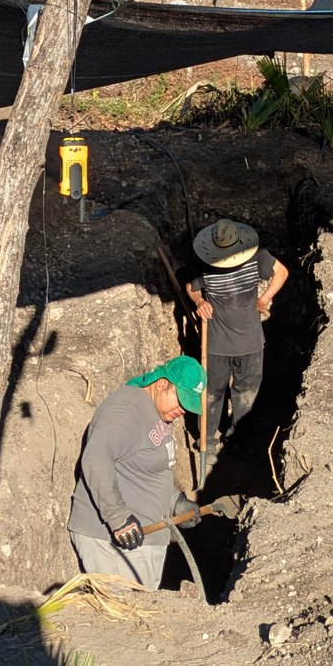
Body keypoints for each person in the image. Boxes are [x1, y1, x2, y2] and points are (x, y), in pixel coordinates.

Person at [68, 356, 205, 587]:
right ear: (162, 383)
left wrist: (174, 502)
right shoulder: (127, 410)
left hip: (144, 539)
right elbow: (97, 458)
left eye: (187, 406)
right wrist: (118, 517)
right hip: (114, 542)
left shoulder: (155, 411)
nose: (182, 410)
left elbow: (143, 468)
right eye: (180, 400)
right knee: (127, 616)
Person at [186, 218, 288, 466]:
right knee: (211, 394)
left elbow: (282, 272)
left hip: (250, 342)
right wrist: (199, 302)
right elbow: (191, 286)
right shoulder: (205, 262)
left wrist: (264, 299)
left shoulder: (257, 257)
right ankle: (207, 442)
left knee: (246, 394)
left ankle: (239, 439)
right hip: (217, 343)